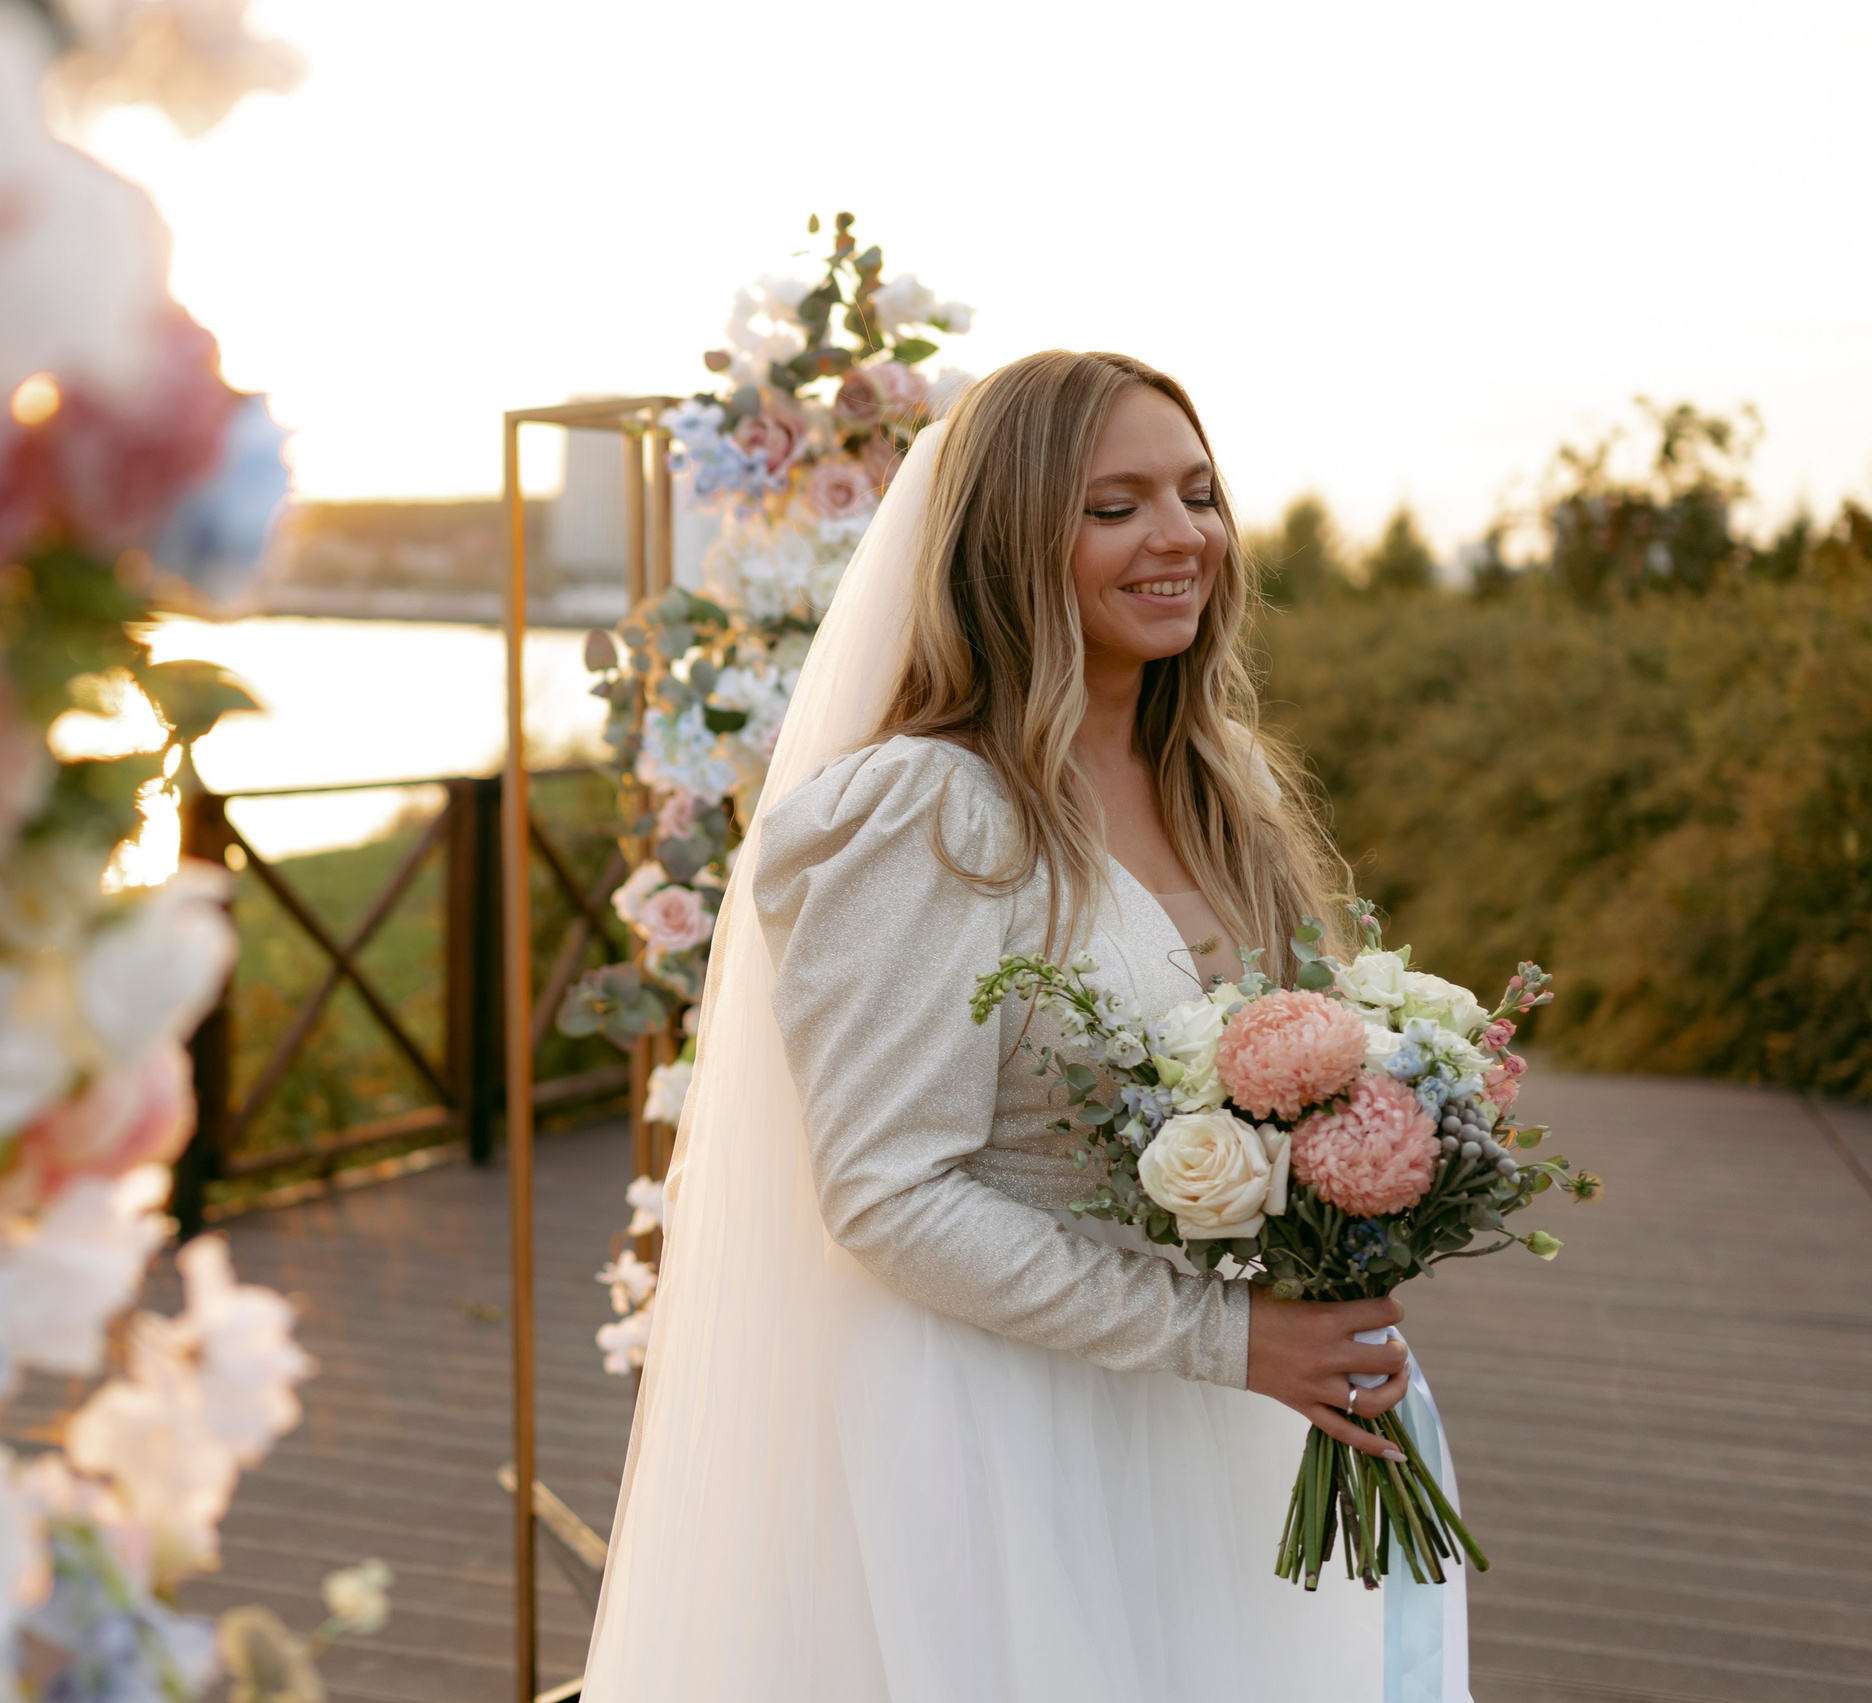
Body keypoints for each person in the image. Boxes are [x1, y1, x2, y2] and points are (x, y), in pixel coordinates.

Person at [583, 352, 1446, 1701]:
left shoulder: (1217, 789)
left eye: (1198, 493)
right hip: (1012, 1437)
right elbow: (885, 1191)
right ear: (1010, 542)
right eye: (1115, 507)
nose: (1182, 537)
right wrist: (1229, 1340)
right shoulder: (927, 815)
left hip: (1222, 1420)